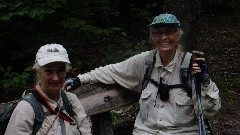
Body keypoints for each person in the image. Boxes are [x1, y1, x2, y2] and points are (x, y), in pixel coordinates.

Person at [64, 13, 221, 135]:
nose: (164, 37)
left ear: (178, 35)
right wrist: (80, 79)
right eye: (158, 33)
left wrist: (204, 81)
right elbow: (111, 70)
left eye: (169, 32)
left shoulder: (190, 65)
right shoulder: (144, 62)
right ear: (152, 37)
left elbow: (208, 111)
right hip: (146, 131)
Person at [5, 44, 92, 135]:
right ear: (38, 73)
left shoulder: (71, 100)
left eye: (60, 70)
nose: (55, 78)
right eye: (48, 71)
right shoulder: (26, 109)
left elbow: (86, 132)